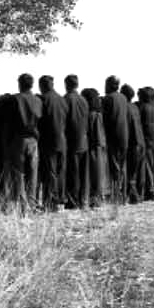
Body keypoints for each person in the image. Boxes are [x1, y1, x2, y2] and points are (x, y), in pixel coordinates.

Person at [5, 74, 42, 207]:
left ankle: (21, 201)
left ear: (20, 84)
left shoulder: (15, 99)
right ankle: (32, 201)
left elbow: (9, 121)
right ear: (32, 85)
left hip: (19, 139)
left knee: (19, 172)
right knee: (33, 172)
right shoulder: (38, 100)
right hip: (33, 139)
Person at [38, 75, 68, 209]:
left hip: (48, 141)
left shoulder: (43, 99)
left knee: (50, 172)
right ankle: (61, 201)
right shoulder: (62, 100)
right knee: (60, 172)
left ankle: (51, 202)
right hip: (62, 140)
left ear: (42, 86)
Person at [102, 76, 130, 204]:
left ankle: (115, 195)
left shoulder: (108, 99)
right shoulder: (123, 98)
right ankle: (123, 194)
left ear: (109, 85)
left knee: (114, 167)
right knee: (122, 166)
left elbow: (106, 119)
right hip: (124, 136)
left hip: (113, 136)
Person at [64, 75, 90, 208]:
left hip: (72, 141)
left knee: (73, 173)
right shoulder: (83, 100)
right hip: (84, 140)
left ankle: (73, 201)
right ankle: (82, 200)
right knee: (82, 173)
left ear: (66, 84)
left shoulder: (67, 99)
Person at [122, 84, 146, 203]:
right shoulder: (135, 107)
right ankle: (139, 195)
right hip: (141, 141)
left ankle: (132, 197)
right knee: (139, 172)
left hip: (133, 142)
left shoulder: (125, 107)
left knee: (131, 171)